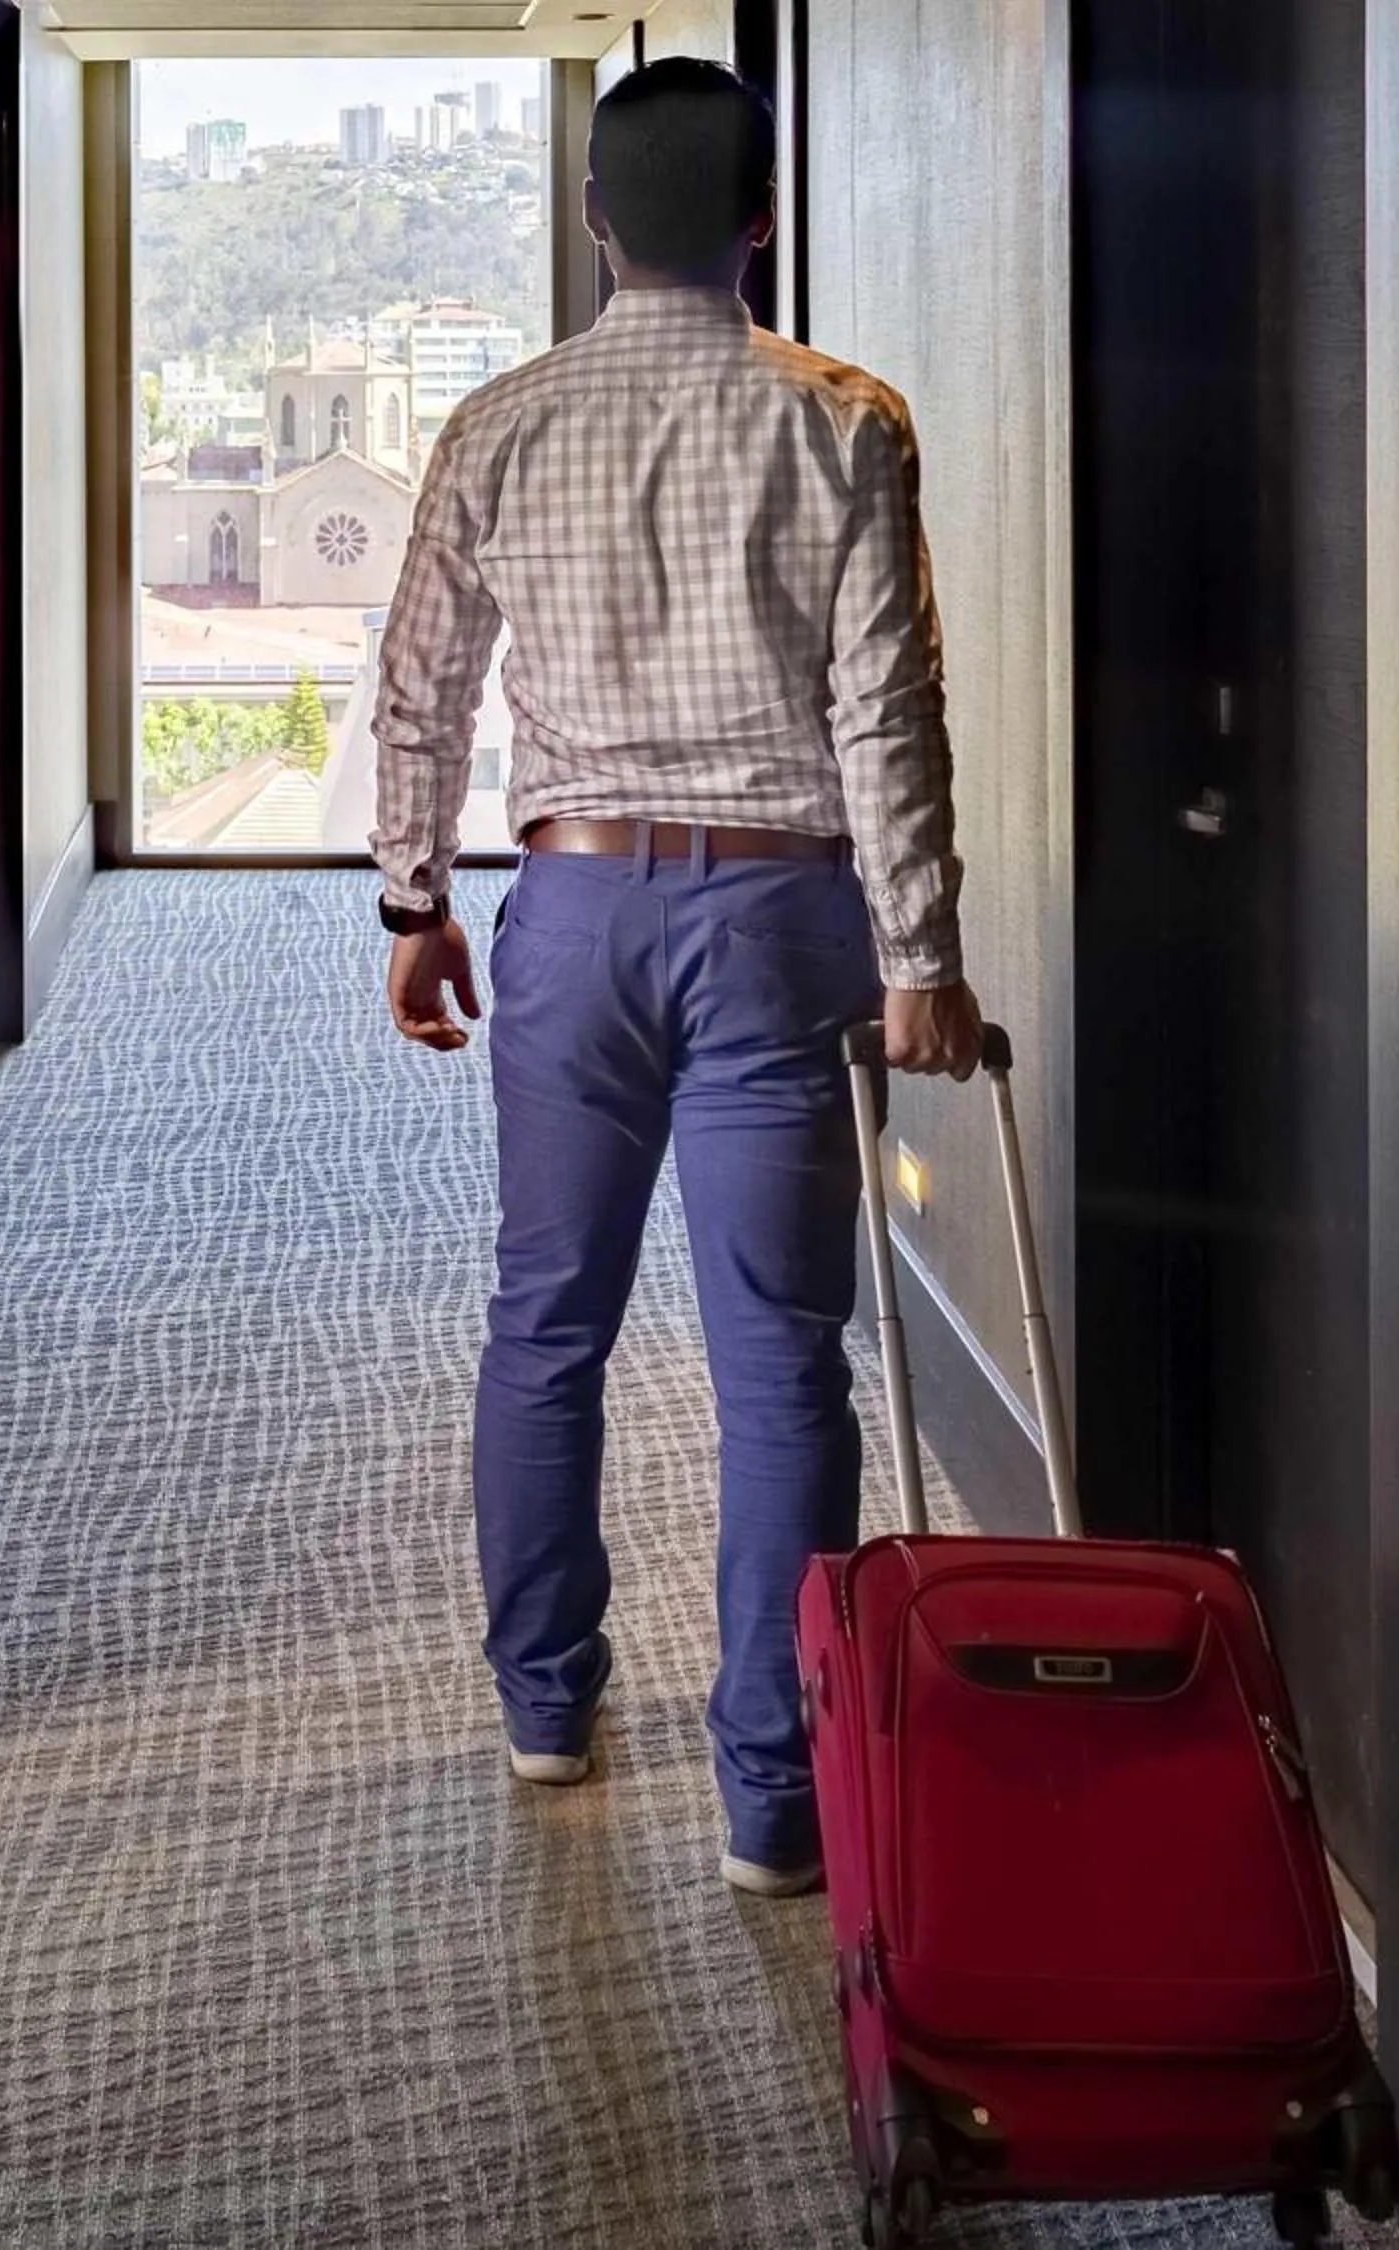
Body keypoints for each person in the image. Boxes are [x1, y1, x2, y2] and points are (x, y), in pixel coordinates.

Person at [367, 57, 982, 1897]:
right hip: (782, 927)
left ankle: (546, 1708)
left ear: (592, 220)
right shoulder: (846, 419)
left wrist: (416, 905)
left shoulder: (497, 424)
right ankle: (771, 1804)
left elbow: (421, 691)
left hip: (571, 914)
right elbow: (888, 709)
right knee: (783, 1355)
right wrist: (924, 954)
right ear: (762, 220)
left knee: (544, 1321)